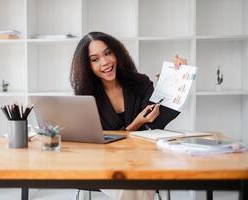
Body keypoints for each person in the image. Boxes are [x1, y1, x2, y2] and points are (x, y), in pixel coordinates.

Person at [70, 32, 188, 200]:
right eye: (95, 59)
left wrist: (178, 78)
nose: (105, 62)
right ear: (87, 65)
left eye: (107, 53)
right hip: (103, 165)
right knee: (137, 187)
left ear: (116, 52)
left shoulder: (139, 83)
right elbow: (99, 143)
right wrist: (136, 123)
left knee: (137, 184)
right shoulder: (87, 97)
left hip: (140, 161)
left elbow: (158, 119)